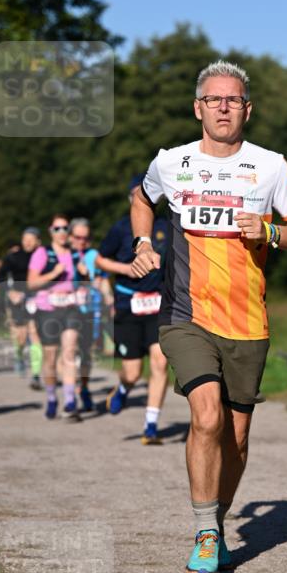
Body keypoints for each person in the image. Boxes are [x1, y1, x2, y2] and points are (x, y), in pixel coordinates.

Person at [130, 60, 287, 573]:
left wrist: (271, 233)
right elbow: (141, 198)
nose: (223, 107)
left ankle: (217, 520)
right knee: (206, 416)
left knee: (235, 438)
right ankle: (206, 531)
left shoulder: (271, 166)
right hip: (185, 313)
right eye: (214, 99)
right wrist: (143, 241)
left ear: (247, 109)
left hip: (248, 321)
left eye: (233, 99)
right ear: (198, 108)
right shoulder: (172, 162)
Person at [96, 177, 170, 443]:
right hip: (128, 304)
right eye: (136, 195)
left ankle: (151, 425)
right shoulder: (120, 229)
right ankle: (123, 391)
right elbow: (100, 259)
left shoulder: (166, 227)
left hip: (158, 304)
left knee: (160, 362)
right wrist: (125, 269)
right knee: (133, 372)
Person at [27, 215, 88, 420]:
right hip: (47, 309)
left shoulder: (74, 254)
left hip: (70, 307)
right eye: (57, 229)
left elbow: (82, 281)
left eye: (64, 228)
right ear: (50, 231)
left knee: (70, 352)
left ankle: (70, 401)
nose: (61, 232)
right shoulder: (42, 253)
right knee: (50, 358)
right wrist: (53, 274)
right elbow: (31, 283)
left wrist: (84, 275)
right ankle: (52, 397)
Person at [69, 217, 112, 412]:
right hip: (66, 311)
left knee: (85, 353)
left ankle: (83, 388)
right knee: (69, 349)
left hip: (89, 310)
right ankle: (69, 396)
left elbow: (103, 280)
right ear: (70, 237)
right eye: (78, 237)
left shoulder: (94, 255)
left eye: (85, 238)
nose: (82, 241)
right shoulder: (63, 255)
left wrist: (109, 299)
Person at [0, 226, 41, 378]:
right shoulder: (14, 257)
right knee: (21, 336)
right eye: (25, 240)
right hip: (17, 299)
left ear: (38, 241)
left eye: (31, 240)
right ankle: (20, 355)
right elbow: (1, 275)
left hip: (36, 299)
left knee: (35, 335)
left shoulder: (42, 256)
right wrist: (10, 292)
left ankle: (35, 373)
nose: (28, 243)